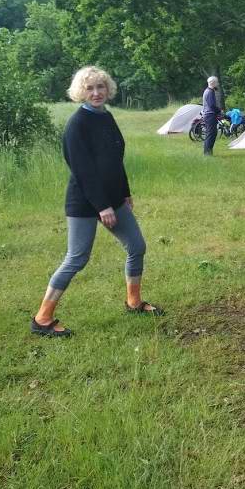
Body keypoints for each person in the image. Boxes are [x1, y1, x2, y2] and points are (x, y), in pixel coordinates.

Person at [31, 66, 162, 338]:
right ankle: (42, 319)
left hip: (113, 199)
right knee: (77, 258)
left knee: (137, 246)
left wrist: (124, 192)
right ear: (81, 92)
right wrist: (102, 206)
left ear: (108, 89)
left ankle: (134, 302)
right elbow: (83, 171)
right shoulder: (77, 124)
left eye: (100, 87)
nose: (96, 93)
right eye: (89, 88)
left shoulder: (107, 117)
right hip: (84, 202)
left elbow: (115, 160)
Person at [201, 75, 221, 155]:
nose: (218, 84)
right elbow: (212, 105)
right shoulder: (210, 92)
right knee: (211, 134)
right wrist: (219, 110)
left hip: (208, 115)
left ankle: (208, 152)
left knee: (211, 133)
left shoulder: (207, 90)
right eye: (217, 82)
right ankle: (207, 153)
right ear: (213, 83)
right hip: (210, 115)